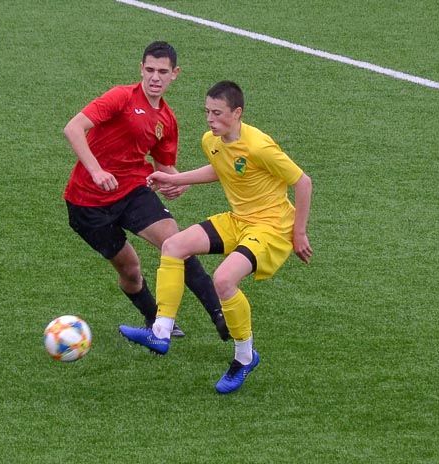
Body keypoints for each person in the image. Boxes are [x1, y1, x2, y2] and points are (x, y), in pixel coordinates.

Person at [119, 80, 313, 394]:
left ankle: (244, 357)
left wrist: (299, 232)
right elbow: (222, 169)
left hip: (270, 229)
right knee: (173, 245)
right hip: (239, 221)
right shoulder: (212, 140)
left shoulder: (259, 146)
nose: (210, 119)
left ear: (237, 113)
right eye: (207, 111)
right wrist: (174, 178)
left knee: (223, 281)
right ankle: (161, 331)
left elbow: (303, 182)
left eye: (218, 113)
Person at [63, 41, 229, 341]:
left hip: (132, 192)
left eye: (162, 71)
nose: (155, 77)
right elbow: (73, 128)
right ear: (141, 68)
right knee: (130, 270)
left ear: (175, 74)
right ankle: (156, 321)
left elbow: (166, 169)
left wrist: (178, 183)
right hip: (87, 204)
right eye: (150, 69)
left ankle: (220, 316)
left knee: (178, 244)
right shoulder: (120, 97)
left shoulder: (167, 120)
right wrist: (96, 170)